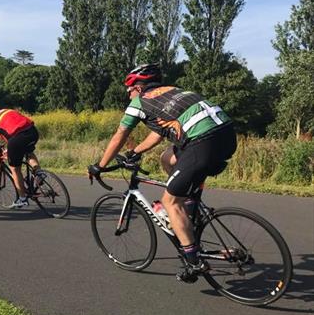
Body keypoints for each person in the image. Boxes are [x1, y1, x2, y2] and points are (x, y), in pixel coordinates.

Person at [88, 63, 237, 283]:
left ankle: (194, 261)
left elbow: (120, 134)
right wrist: (134, 151)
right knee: (167, 157)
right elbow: (157, 134)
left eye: (128, 89)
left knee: (170, 201)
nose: (128, 94)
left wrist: (100, 165)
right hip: (226, 136)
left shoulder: (140, 102)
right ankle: (189, 206)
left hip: (201, 143)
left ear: (138, 87)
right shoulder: (173, 92)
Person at [0, 99, 43, 208]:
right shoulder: (7, 111)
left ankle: (22, 199)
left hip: (17, 138)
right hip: (32, 132)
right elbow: (12, 129)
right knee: (28, 152)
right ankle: (39, 172)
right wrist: (9, 149)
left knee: (15, 169)